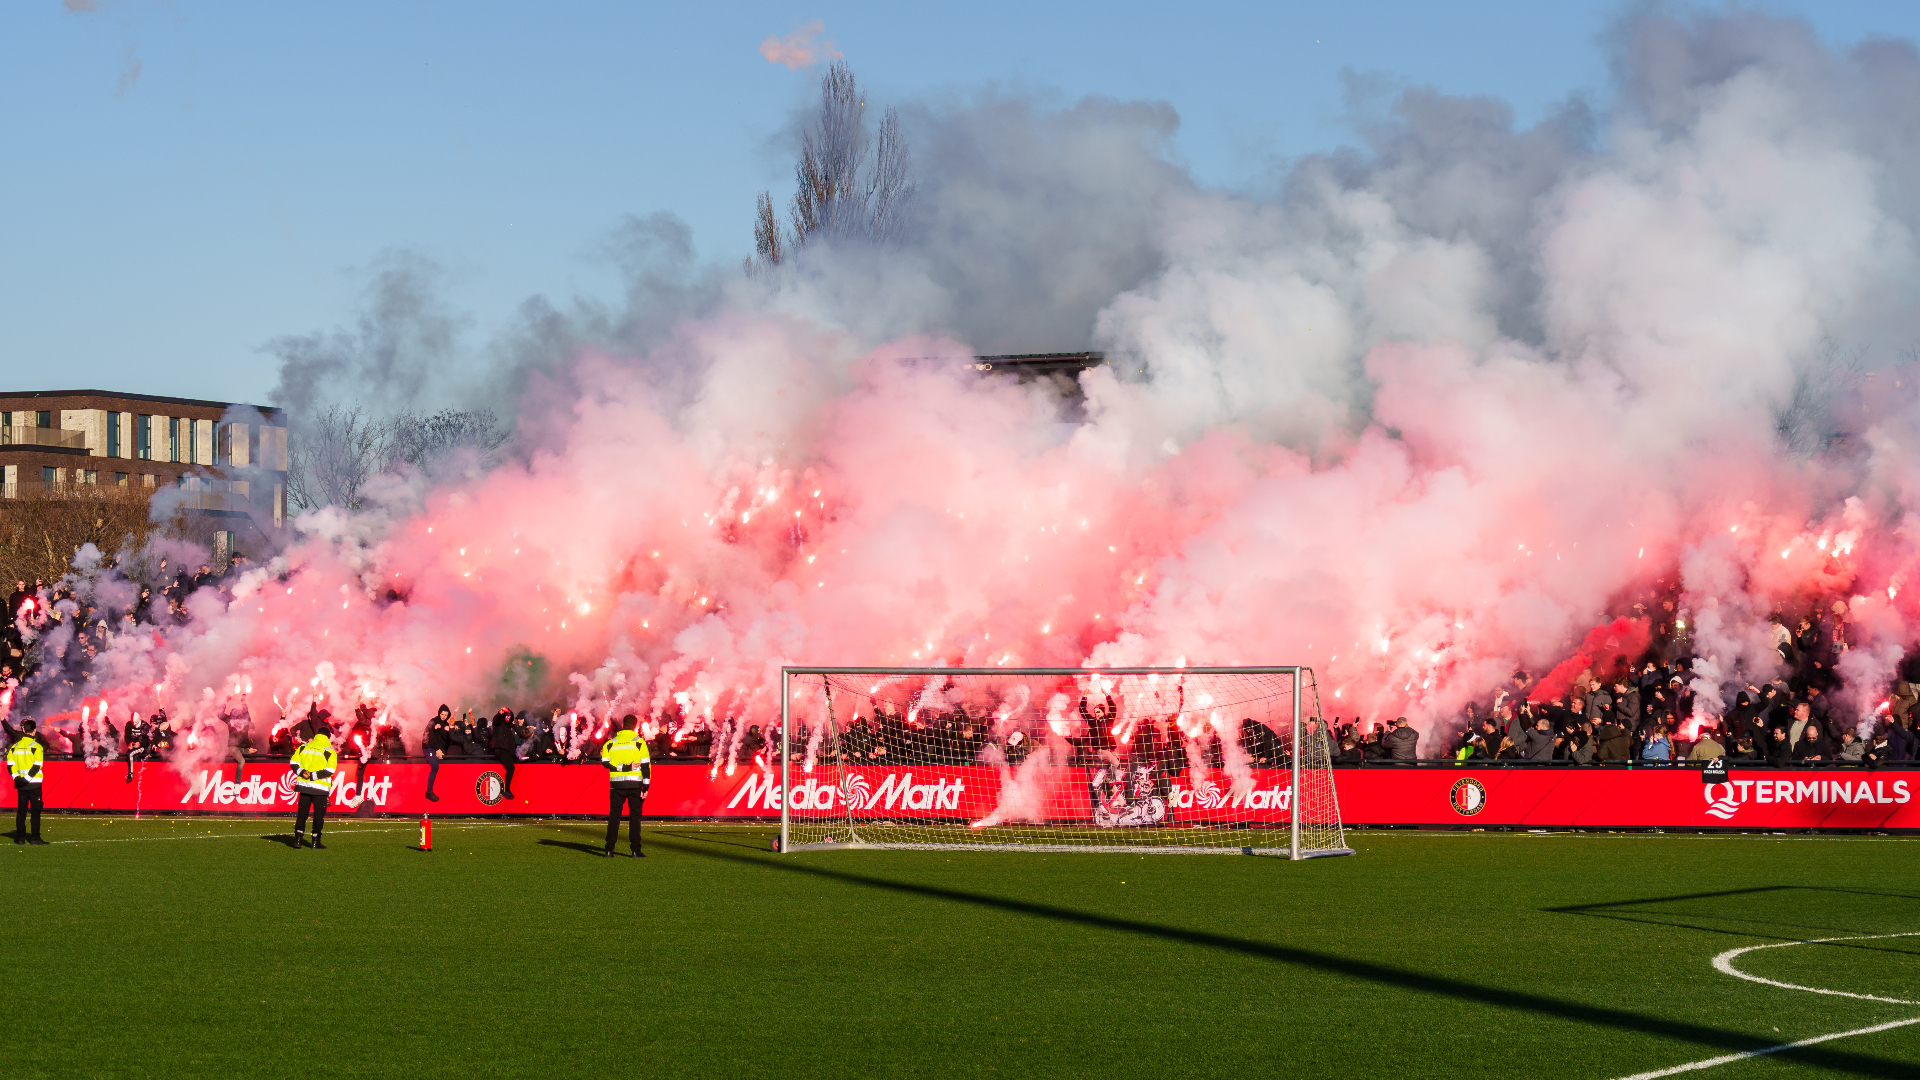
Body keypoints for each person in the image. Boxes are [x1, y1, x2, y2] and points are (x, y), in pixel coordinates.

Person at [600, 714, 651, 857]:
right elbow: (646, 767)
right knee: (635, 818)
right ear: (635, 726)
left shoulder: (610, 743)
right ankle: (635, 850)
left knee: (614, 817)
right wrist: (646, 787)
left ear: (623, 725)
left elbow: (605, 763)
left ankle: (609, 850)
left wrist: (622, 768)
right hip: (635, 785)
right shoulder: (640, 742)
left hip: (616, 785)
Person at [289, 730, 337, 849]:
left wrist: (302, 772)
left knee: (302, 814)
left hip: (304, 786)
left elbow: (293, 762)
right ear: (328, 737)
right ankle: (315, 842)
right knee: (318, 815)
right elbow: (330, 770)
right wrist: (312, 776)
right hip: (320, 789)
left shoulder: (304, 747)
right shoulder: (329, 751)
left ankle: (297, 840)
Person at [8, 719, 48, 844]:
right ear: (34, 730)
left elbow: (10, 765)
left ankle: (20, 838)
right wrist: (27, 778)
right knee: (35, 812)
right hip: (34, 784)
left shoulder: (14, 747)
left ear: (23, 730)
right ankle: (35, 838)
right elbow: (37, 766)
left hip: (20, 784)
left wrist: (17, 778)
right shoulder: (37, 747)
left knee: (21, 811)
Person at [488, 707, 518, 800]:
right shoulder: (499, 724)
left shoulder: (510, 728)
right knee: (511, 767)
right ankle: (507, 789)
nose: (508, 718)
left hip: (507, 750)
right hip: (501, 749)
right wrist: (500, 714)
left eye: (510, 717)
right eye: (507, 716)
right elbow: (496, 720)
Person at [424, 705, 452, 802]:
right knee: (435, 766)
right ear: (439, 713)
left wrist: (445, 730)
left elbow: (446, 739)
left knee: (440, 766)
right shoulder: (433, 721)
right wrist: (437, 749)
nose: (443, 716)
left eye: (446, 715)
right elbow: (430, 736)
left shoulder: (447, 725)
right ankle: (429, 791)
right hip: (429, 747)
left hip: (438, 749)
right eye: (442, 714)